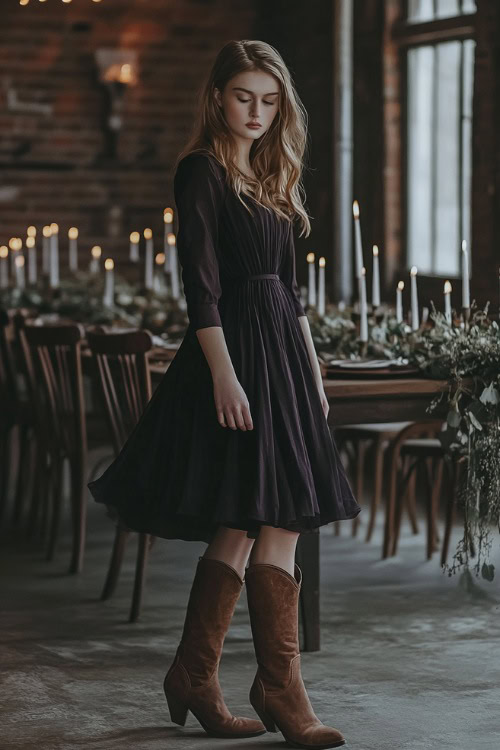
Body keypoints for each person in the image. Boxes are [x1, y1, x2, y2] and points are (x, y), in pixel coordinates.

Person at [88, 39, 361, 749]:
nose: (257, 113)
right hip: (234, 351)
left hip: (284, 357)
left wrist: (313, 371)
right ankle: (273, 687)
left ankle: (200, 675)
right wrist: (224, 374)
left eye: (270, 102)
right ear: (217, 97)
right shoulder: (200, 172)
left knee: (258, 518)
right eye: (245, 97)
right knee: (258, 515)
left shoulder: (271, 176)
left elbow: (293, 294)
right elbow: (200, 289)